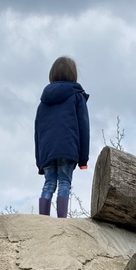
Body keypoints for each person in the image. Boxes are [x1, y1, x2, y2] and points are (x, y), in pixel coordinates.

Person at [34, 57, 90, 218]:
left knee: (48, 183)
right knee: (65, 182)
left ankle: (43, 219)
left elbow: (37, 132)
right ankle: (62, 221)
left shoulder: (43, 102)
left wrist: (40, 161)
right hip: (68, 148)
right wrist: (83, 160)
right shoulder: (77, 97)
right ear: (73, 74)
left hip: (47, 152)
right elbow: (83, 127)